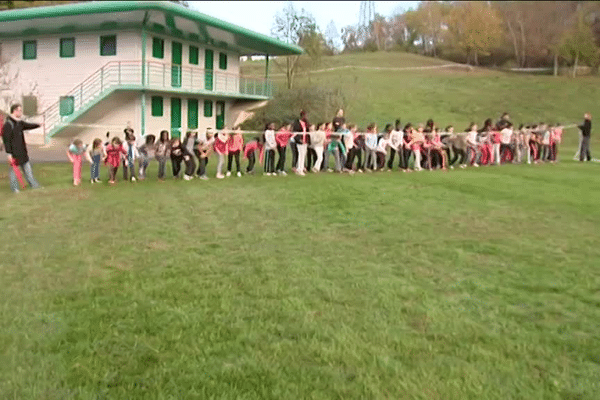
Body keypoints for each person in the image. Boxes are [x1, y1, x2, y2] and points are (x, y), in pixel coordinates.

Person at [2, 104, 42, 193]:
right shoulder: (8, 124)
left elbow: (28, 125)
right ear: (14, 111)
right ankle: (15, 189)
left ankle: (34, 185)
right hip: (14, 154)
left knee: (28, 171)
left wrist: (38, 125)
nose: (21, 112)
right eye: (19, 110)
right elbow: (6, 140)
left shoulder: (19, 122)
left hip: (23, 152)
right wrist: (9, 154)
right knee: (14, 173)